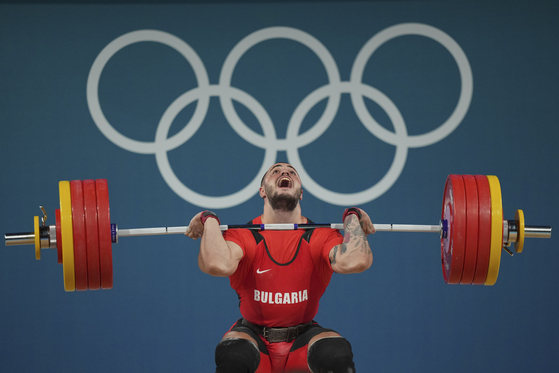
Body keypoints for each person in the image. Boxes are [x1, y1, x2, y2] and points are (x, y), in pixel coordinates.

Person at [186, 162, 374, 373]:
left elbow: (355, 261)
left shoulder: (320, 235)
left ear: (301, 193)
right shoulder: (244, 235)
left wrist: (351, 217)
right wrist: (209, 220)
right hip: (252, 337)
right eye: (275, 171)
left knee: (337, 356)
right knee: (233, 356)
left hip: (303, 341)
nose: (285, 172)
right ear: (262, 191)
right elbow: (216, 265)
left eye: (292, 172)